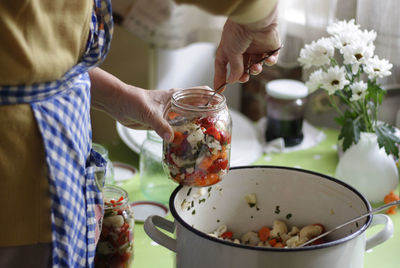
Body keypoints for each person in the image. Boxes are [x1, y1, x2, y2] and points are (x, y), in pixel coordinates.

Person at [0, 0, 280, 267]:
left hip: (51, 158)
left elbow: (32, 57)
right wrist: (262, 23)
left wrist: (119, 98)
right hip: (19, 181)